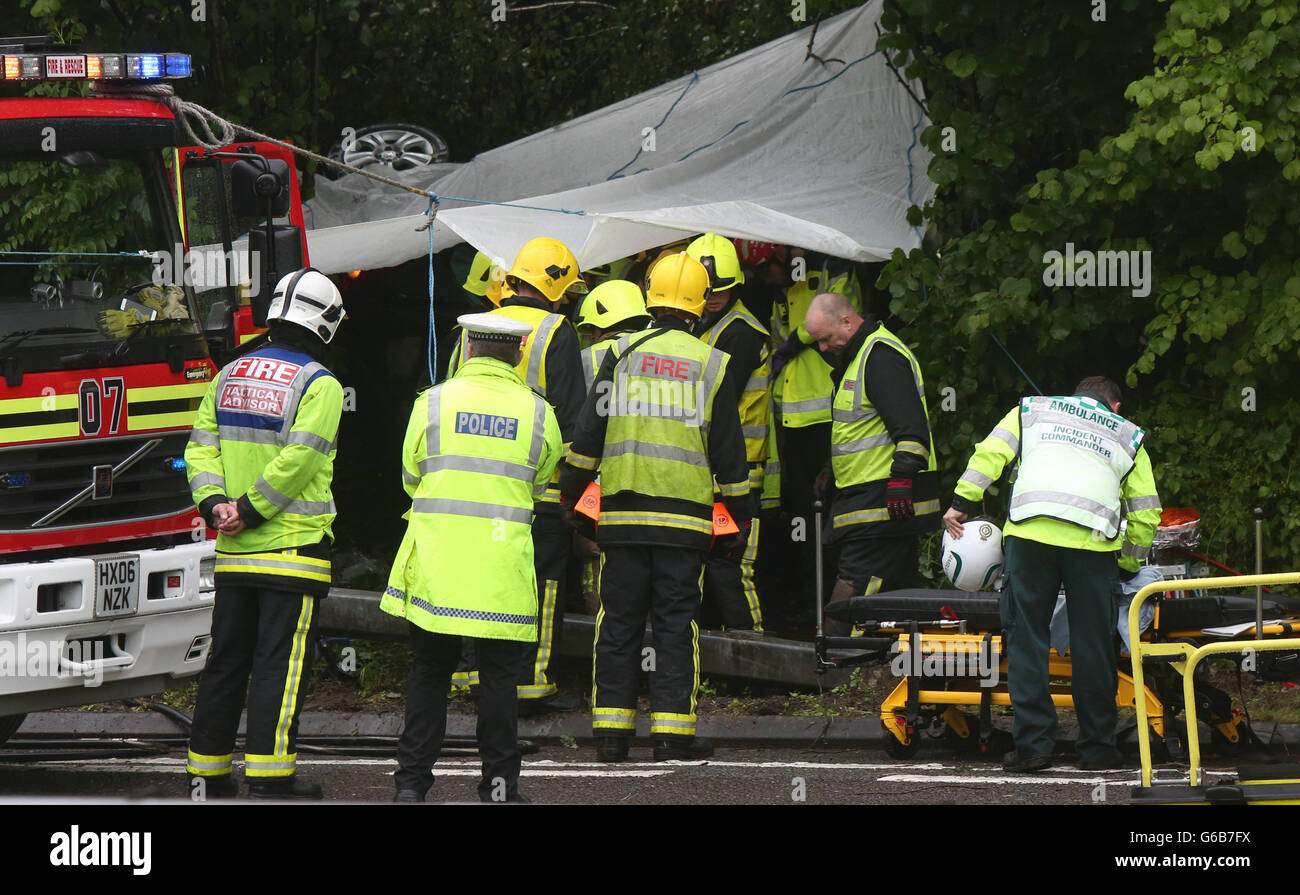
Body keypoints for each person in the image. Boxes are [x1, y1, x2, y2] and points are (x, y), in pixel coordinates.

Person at [559, 252, 750, 762]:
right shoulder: (711, 363)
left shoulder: (617, 355)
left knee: (617, 623)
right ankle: (671, 735)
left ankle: (611, 737)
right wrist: (740, 520)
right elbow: (730, 454)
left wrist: (570, 495)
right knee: (675, 624)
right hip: (685, 524)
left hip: (620, 521)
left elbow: (586, 435)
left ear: (650, 296)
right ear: (700, 306)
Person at [381, 313, 563, 803]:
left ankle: (411, 786)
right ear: (519, 354)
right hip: (500, 572)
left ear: (465, 349)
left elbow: (410, 477)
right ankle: (499, 787)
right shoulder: (540, 413)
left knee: (429, 674)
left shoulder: (431, 403)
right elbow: (539, 486)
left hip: (438, 565)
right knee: (500, 681)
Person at [942, 376, 1161, 772]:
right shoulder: (1127, 433)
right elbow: (1145, 511)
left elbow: (988, 455)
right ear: (1115, 407)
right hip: (1094, 548)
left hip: (1030, 536)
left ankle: (1033, 748)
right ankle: (1096, 750)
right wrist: (1128, 563)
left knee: (1028, 640)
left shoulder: (1031, 410)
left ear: (1076, 395)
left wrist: (961, 503)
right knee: (1094, 646)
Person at [184, 267, 347, 800]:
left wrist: (216, 507)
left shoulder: (227, 373)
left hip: (233, 552)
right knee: (280, 663)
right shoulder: (319, 384)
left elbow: (200, 448)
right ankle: (270, 777)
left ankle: (206, 773)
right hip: (292, 550)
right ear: (323, 323)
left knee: (226, 660)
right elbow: (300, 459)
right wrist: (250, 510)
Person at [447, 237, 587, 714]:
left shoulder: (470, 330)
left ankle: (470, 675)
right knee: (542, 584)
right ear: (554, 287)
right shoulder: (557, 331)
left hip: (469, 489)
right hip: (536, 488)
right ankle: (528, 683)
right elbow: (571, 419)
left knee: (475, 580)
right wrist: (570, 488)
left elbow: (449, 401)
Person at [801, 292, 940, 634]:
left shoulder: (879, 357)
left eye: (825, 338)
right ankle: (906, 658)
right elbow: (863, 430)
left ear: (846, 321)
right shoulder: (860, 357)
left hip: (884, 504)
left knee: (858, 581)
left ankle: (837, 659)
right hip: (874, 502)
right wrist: (831, 471)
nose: (822, 349)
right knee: (898, 587)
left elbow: (911, 431)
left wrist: (900, 482)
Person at [766, 251, 862, 623]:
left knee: (831, 515)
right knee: (801, 519)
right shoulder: (781, 291)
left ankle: (834, 606)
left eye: (770, 268)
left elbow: (844, 314)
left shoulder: (832, 270)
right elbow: (779, 344)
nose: (769, 278)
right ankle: (809, 603)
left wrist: (798, 338)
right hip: (792, 421)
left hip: (828, 418)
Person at [688, 233, 771, 632]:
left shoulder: (738, 333)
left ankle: (752, 652)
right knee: (710, 565)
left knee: (729, 567)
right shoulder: (709, 327)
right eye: (707, 291)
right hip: (715, 470)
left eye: (723, 290)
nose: (714, 297)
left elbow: (712, 402)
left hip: (738, 473)